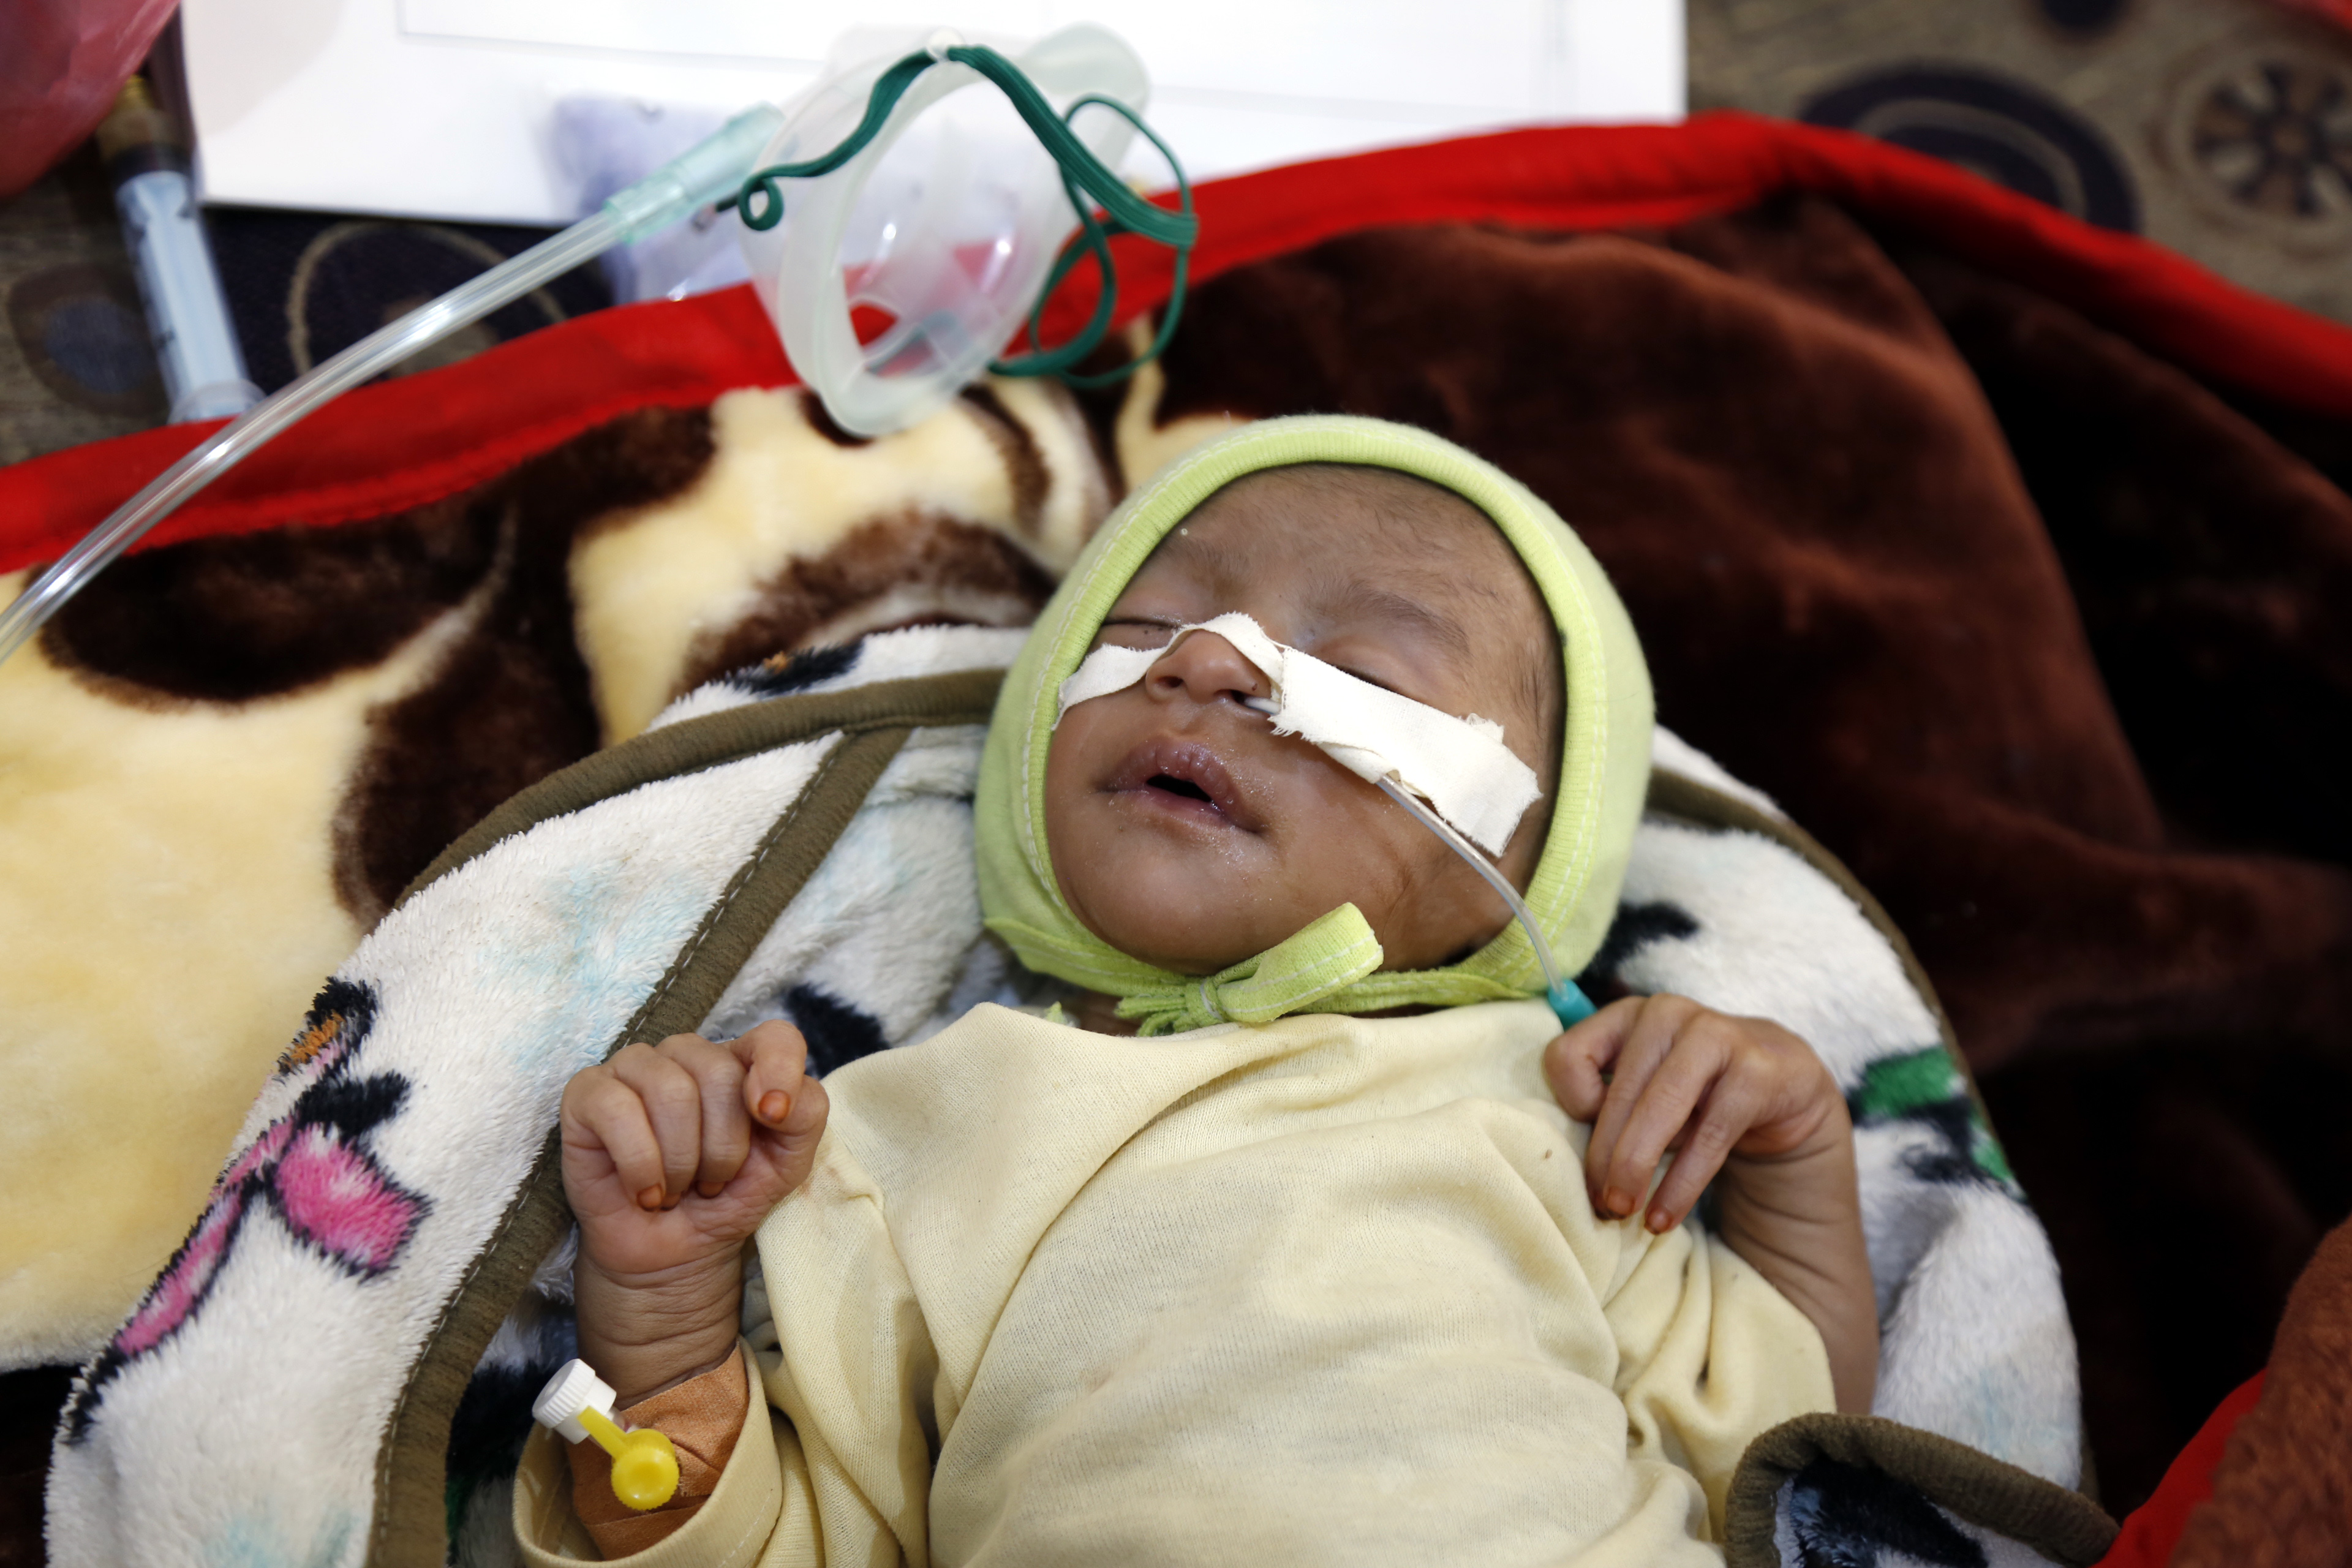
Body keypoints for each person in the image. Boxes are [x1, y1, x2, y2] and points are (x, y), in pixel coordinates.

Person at [513, 417, 1879, 1566]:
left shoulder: (1560, 1105)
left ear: (1526, 859)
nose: (1208, 660)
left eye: (1359, 671)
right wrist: (668, 1306)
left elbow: (1798, 1458)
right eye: (1153, 619)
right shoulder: (893, 1136)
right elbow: (787, 1539)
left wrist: (1795, 1160)